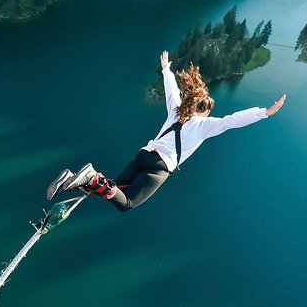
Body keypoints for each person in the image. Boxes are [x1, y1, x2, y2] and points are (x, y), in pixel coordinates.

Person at [47, 50, 286, 212]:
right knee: (126, 203)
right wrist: (264, 112)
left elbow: (172, 91)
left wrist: (166, 70)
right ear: (204, 111)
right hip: (159, 167)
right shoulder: (204, 125)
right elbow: (232, 120)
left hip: (143, 154)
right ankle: (92, 178)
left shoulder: (176, 111)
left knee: (115, 190)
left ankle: (78, 181)